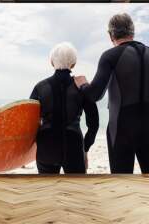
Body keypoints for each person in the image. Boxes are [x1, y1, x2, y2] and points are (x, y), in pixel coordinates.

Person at [74, 13, 149, 174]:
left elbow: (94, 95)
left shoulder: (110, 56)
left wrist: (83, 84)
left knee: (121, 182)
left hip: (121, 128)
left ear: (110, 35)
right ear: (132, 31)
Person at [30, 42, 99, 174]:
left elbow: (29, 121)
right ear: (73, 64)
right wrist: (86, 147)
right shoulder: (81, 86)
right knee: (76, 192)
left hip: (47, 147)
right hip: (74, 147)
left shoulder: (40, 87)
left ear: (51, 62)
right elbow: (94, 123)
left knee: (48, 191)